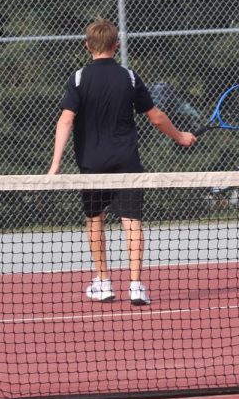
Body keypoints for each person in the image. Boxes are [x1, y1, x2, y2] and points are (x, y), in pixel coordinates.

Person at [48, 18, 196, 305]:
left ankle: (103, 281)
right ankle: (136, 285)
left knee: (95, 221)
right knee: (132, 222)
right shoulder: (129, 77)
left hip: (91, 164)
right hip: (127, 162)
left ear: (87, 46)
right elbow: (155, 117)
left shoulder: (78, 78)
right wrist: (179, 136)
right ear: (117, 45)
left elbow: (66, 119)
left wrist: (56, 164)